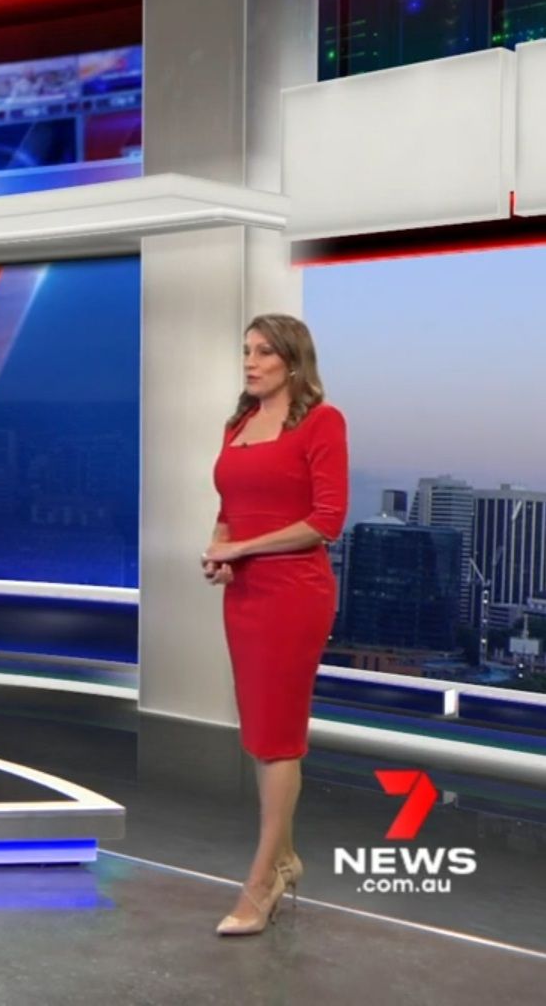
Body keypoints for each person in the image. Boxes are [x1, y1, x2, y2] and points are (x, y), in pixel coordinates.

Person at [201, 313, 349, 936]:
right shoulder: (237, 425)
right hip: (245, 595)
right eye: (246, 351)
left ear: (293, 361)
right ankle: (285, 861)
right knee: (261, 733)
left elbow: (326, 520)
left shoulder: (322, 422)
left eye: (263, 351)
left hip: (294, 594)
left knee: (277, 737)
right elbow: (230, 508)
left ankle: (261, 884)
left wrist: (242, 548)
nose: (250, 361)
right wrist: (221, 550)